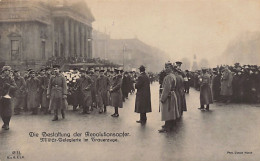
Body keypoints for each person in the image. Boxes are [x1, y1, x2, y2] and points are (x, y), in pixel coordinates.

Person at [158, 63, 179, 133]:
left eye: (167, 67)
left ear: (171, 68)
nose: (166, 69)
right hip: (172, 94)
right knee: (171, 111)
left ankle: (167, 127)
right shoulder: (172, 75)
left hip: (168, 96)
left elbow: (166, 89)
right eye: (165, 67)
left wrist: (162, 98)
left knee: (167, 111)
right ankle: (171, 125)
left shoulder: (168, 77)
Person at [0, 66, 17, 130]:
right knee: (1, 111)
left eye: (9, 71)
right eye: (6, 70)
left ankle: (7, 124)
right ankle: (4, 122)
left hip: (8, 96)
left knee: (8, 111)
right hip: (1, 96)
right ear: (3, 71)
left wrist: (9, 85)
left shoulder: (11, 79)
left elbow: (15, 87)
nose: (8, 72)